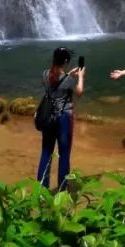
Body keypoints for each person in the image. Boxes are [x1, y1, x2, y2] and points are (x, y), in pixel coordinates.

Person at [37, 47, 85, 190]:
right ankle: (62, 189)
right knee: (64, 155)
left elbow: (56, 84)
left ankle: (42, 189)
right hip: (64, 120)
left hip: (49, 118)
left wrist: (68, 74)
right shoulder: (68, 80)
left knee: (46, 153)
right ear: (65, 61)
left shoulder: (45, 74)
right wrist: (81, 77)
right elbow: (79, 92)